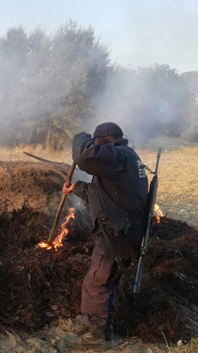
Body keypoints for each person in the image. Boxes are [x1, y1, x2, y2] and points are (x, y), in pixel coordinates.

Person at [62, 122, 148, 346]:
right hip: (124, 229)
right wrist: (76, 188)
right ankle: (102, 328)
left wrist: (80, 135)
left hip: (116, 232)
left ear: (103, 140)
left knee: (96, 282)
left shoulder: (118, 156)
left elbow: (84, 155)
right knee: (105, 281)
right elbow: (104, 194)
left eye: (95, 141)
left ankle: (95, 337)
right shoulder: (126, 158)